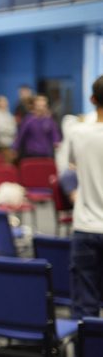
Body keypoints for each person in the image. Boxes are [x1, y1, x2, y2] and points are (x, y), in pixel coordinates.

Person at [67, 74, 103, 322]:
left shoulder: (78, 133)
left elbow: (69, 170)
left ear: (91, 99)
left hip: (86, 229)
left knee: (85, 311)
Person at [13, 95, 61, 162]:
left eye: (43, 106)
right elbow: (20, 135)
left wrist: (57, 144)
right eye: (39, 105)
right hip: (30, 154)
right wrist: (15, 148)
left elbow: (55, 135)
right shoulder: (28, 120)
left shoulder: (50, 121)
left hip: (46, 154)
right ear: (34, 106)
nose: (41, 108)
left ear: (46, 107)